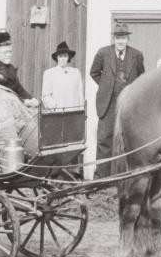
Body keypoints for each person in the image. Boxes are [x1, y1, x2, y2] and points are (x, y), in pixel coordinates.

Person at [89, 23, 145, 178]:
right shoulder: (103, 53)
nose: (121, 41)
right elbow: (94, 73)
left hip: (128, 104)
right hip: (108, 103)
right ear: (114, 38)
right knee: (104, 140)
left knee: (128, 139)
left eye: (124, 38)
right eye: (118, 38)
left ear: (128, 39)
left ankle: (126, 177)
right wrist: (107, 86)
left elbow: (142, 77)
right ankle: (101, 178)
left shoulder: (137, 55)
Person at [0, 30, 38, 107]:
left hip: (14, 104)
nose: (9, 55)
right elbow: (5, 94)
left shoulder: (11, 68)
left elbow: (19, 89)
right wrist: (24, 101)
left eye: (10, 52)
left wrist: (31, 98)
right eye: (5, 52)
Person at [41, 40, 84, 109]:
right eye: (60, 56)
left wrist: (81, 111)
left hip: (73, 113)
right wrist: (54, 107)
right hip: (57, 113)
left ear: (68, 57)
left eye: (65, 56)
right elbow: (45, 95)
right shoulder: (49, 73)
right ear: (57, 58)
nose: (63, 58)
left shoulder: (76, 73)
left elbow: (80, 94)